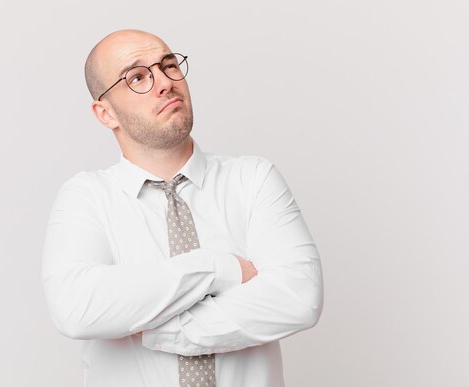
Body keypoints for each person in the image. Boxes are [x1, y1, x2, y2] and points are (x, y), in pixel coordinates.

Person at [42, 29, 323, 387]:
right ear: (105, 113)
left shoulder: (252, 179)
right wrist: (217, 268)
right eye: (138, 77)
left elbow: (299, 297)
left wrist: (158, 330)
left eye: (169, 65)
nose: (164, 83)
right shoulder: (86, 197)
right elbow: (77, 309)